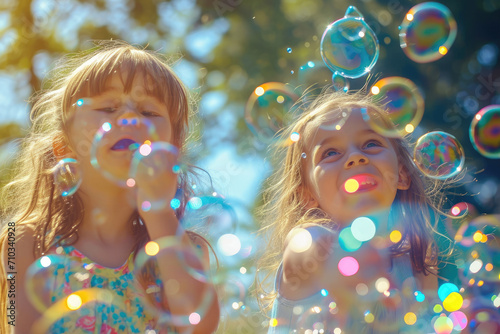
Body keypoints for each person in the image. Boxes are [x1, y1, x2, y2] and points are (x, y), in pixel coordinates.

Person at [0, 40, 219, 334]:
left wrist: (157, 211)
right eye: (107, 107)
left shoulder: (186, 249)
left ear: (173, 149)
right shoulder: (24, 240)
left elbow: (200, 326)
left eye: (148, 112)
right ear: (64, 147)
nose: (128, 118)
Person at [256, 89, 457, 333]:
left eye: (371, 143)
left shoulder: (419, 260)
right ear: (306, 195)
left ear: (401, 174)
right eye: (330, 153)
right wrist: (329, 254)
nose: (355, 157)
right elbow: (301, 249)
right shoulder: (313, 249)